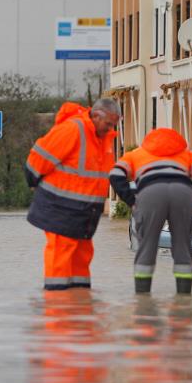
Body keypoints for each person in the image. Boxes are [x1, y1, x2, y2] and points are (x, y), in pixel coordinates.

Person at [25, 99, 120, 290]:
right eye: (108, 124)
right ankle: (57, 305)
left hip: (86, 211)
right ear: (95, 115)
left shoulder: (103, 139)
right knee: (61, 252)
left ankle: (80, 305)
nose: (110, 129)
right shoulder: (72, 129)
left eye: (113, 125)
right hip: (61, 207)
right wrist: (34, 184)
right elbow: (36, 162)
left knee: (82, 255)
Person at [109, 128, 192, 294]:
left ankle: (143, 300)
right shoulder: (186, 154)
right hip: (183, 192)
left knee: (147, 246)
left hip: (150, 193)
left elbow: (115, 174)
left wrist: (132, 201)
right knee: (183, 246)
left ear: (148, 141)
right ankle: (184, 298)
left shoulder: (136, 154)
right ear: (176, 140)